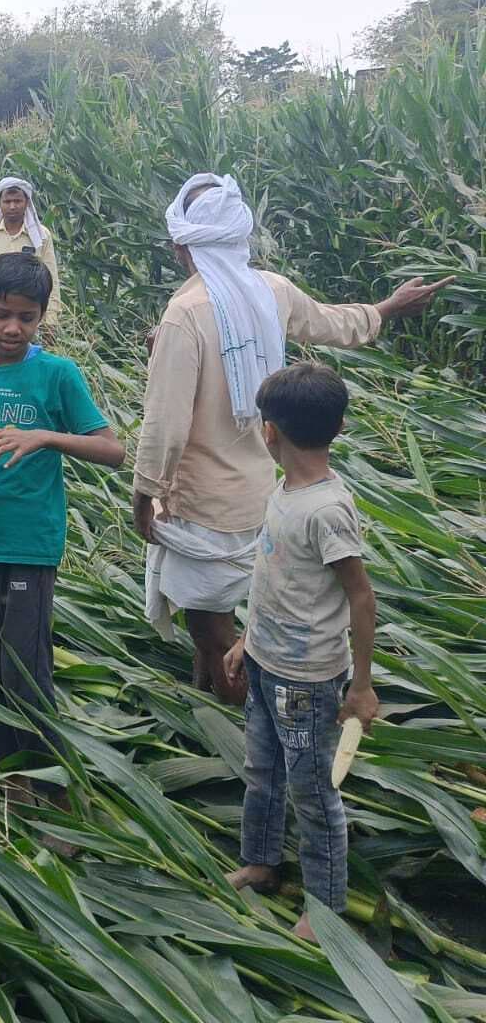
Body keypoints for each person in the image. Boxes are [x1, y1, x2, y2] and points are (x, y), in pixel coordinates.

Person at [135, 173, 452, 704]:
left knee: (214, 636)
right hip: (263, 500)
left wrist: (144, 494)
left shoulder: (185, 313)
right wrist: (387, 309)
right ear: (240, 236)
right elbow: (330, 323)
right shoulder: (270, 292)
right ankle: (217, 703)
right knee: (234, 622)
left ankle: (239, 735)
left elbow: (165, 423)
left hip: (201, 508)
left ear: (181, 245)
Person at [0, 253, 124, 812]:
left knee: (25, 667)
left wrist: (44, 436)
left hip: (30, 546)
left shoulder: (58, 375)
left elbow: (111, 451)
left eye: (26, 317)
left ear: (42, 317)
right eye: (1, 315)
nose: (12, 328)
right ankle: (10, 775)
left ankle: (54, 787)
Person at [221, 362, 378, 942]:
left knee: (314, 794)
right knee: (261, 770)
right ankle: (261, 863)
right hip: (265, 662)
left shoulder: (327, 509)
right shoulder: (283, 489)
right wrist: (244, 639)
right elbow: (273, 578)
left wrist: (360, 685)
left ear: (269, 431)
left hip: (308, 680)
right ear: (336, 426)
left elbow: (361, 598)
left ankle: (326, 909)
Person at [0, 177, 63, 333]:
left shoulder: (41, 236)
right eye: (7, 201)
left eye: (17, 201)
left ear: (27, 203)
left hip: (29, 318)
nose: (12, 206)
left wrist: (50, 320)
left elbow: (52, 279)